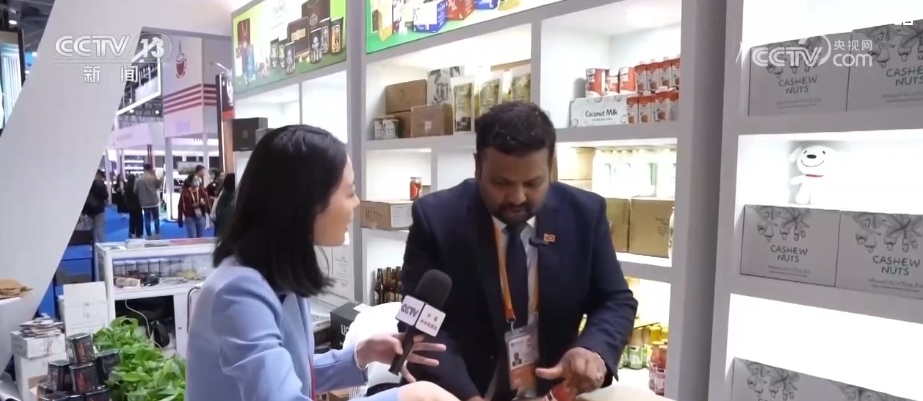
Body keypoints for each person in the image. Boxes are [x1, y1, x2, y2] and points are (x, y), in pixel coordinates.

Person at [186, 125, 460, 401]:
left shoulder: (280, 279)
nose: (357, 203)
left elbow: (293, 374)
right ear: (309, 202)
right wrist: (409, 397)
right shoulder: (238, 293)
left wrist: (363, 354)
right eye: (350, 192)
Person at [400, 102, 639, 401]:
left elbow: (615, 299)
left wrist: (593, 349)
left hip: (551, 392)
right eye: (501, 183)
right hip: (463, 391)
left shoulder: (585, 214)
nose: (517, 197)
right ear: (478, 166)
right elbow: (421, 322)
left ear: (551, 167)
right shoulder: (436, 219)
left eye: (532, 183)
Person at [177, 174, 210, 238]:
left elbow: (208, 202)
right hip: (189, 217)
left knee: (200, 237)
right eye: (195, 180)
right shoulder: (185, 192)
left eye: (198, 179)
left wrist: (204, 204)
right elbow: (181, 206)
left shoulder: (202, 190)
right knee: (192, 236)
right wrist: (180, 219)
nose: (197, 181)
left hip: (200, 216)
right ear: (190, 182)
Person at [135, 163, 162, 239]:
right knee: (156, 218)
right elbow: (158, 186)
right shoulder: (153, 178)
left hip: (144, 202)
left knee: (147, 219)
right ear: (150, 169)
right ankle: (157, 233)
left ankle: (149, 235)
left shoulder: (138, 179)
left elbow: (135, 190)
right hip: (154, 201)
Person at [83, 170, 109, 243]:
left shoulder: (87, 184)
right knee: (100, 229)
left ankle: (92, 244)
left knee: (91, 229)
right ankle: (102, 245)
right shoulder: (101, 185)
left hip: (89, 210)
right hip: (99, 209)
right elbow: (105, 196)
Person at [124, 174, 144, 238]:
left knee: (132, 219)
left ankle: (131, 232)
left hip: (130, 206)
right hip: (137, 205)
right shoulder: (136, 186)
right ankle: (139, 233)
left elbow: (126, 197)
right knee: (139, 219)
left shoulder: (126, 186)